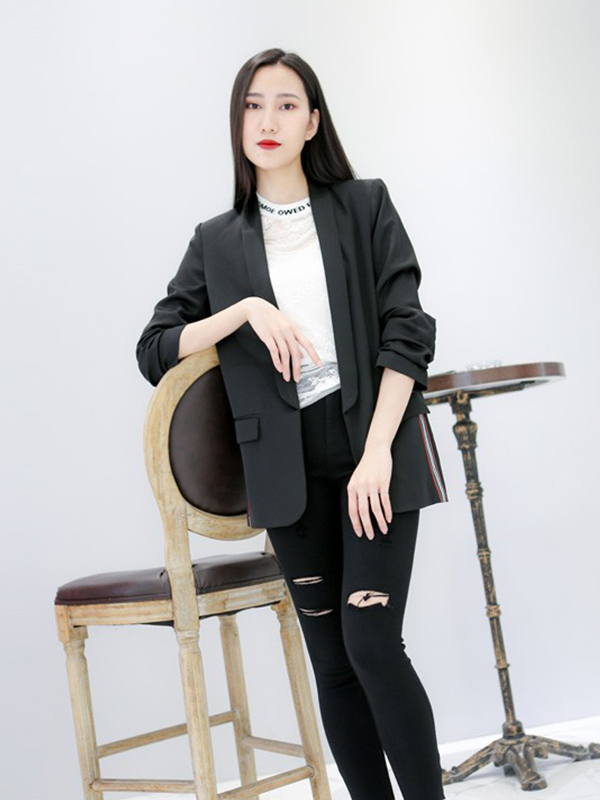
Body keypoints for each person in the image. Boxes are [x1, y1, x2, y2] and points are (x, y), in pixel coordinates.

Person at [136, 47, 448, 800]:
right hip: (285, 472)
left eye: (285, 104)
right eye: (253, 105)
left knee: (372, 643)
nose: (267, 119)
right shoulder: (216, 241)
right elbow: (153, 349)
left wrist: (378, 452)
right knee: (333, 664)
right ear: (237, 122)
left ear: (312, 122)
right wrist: (245, 310)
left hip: (373, 451)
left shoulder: (364, 205)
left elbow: (408, 331)